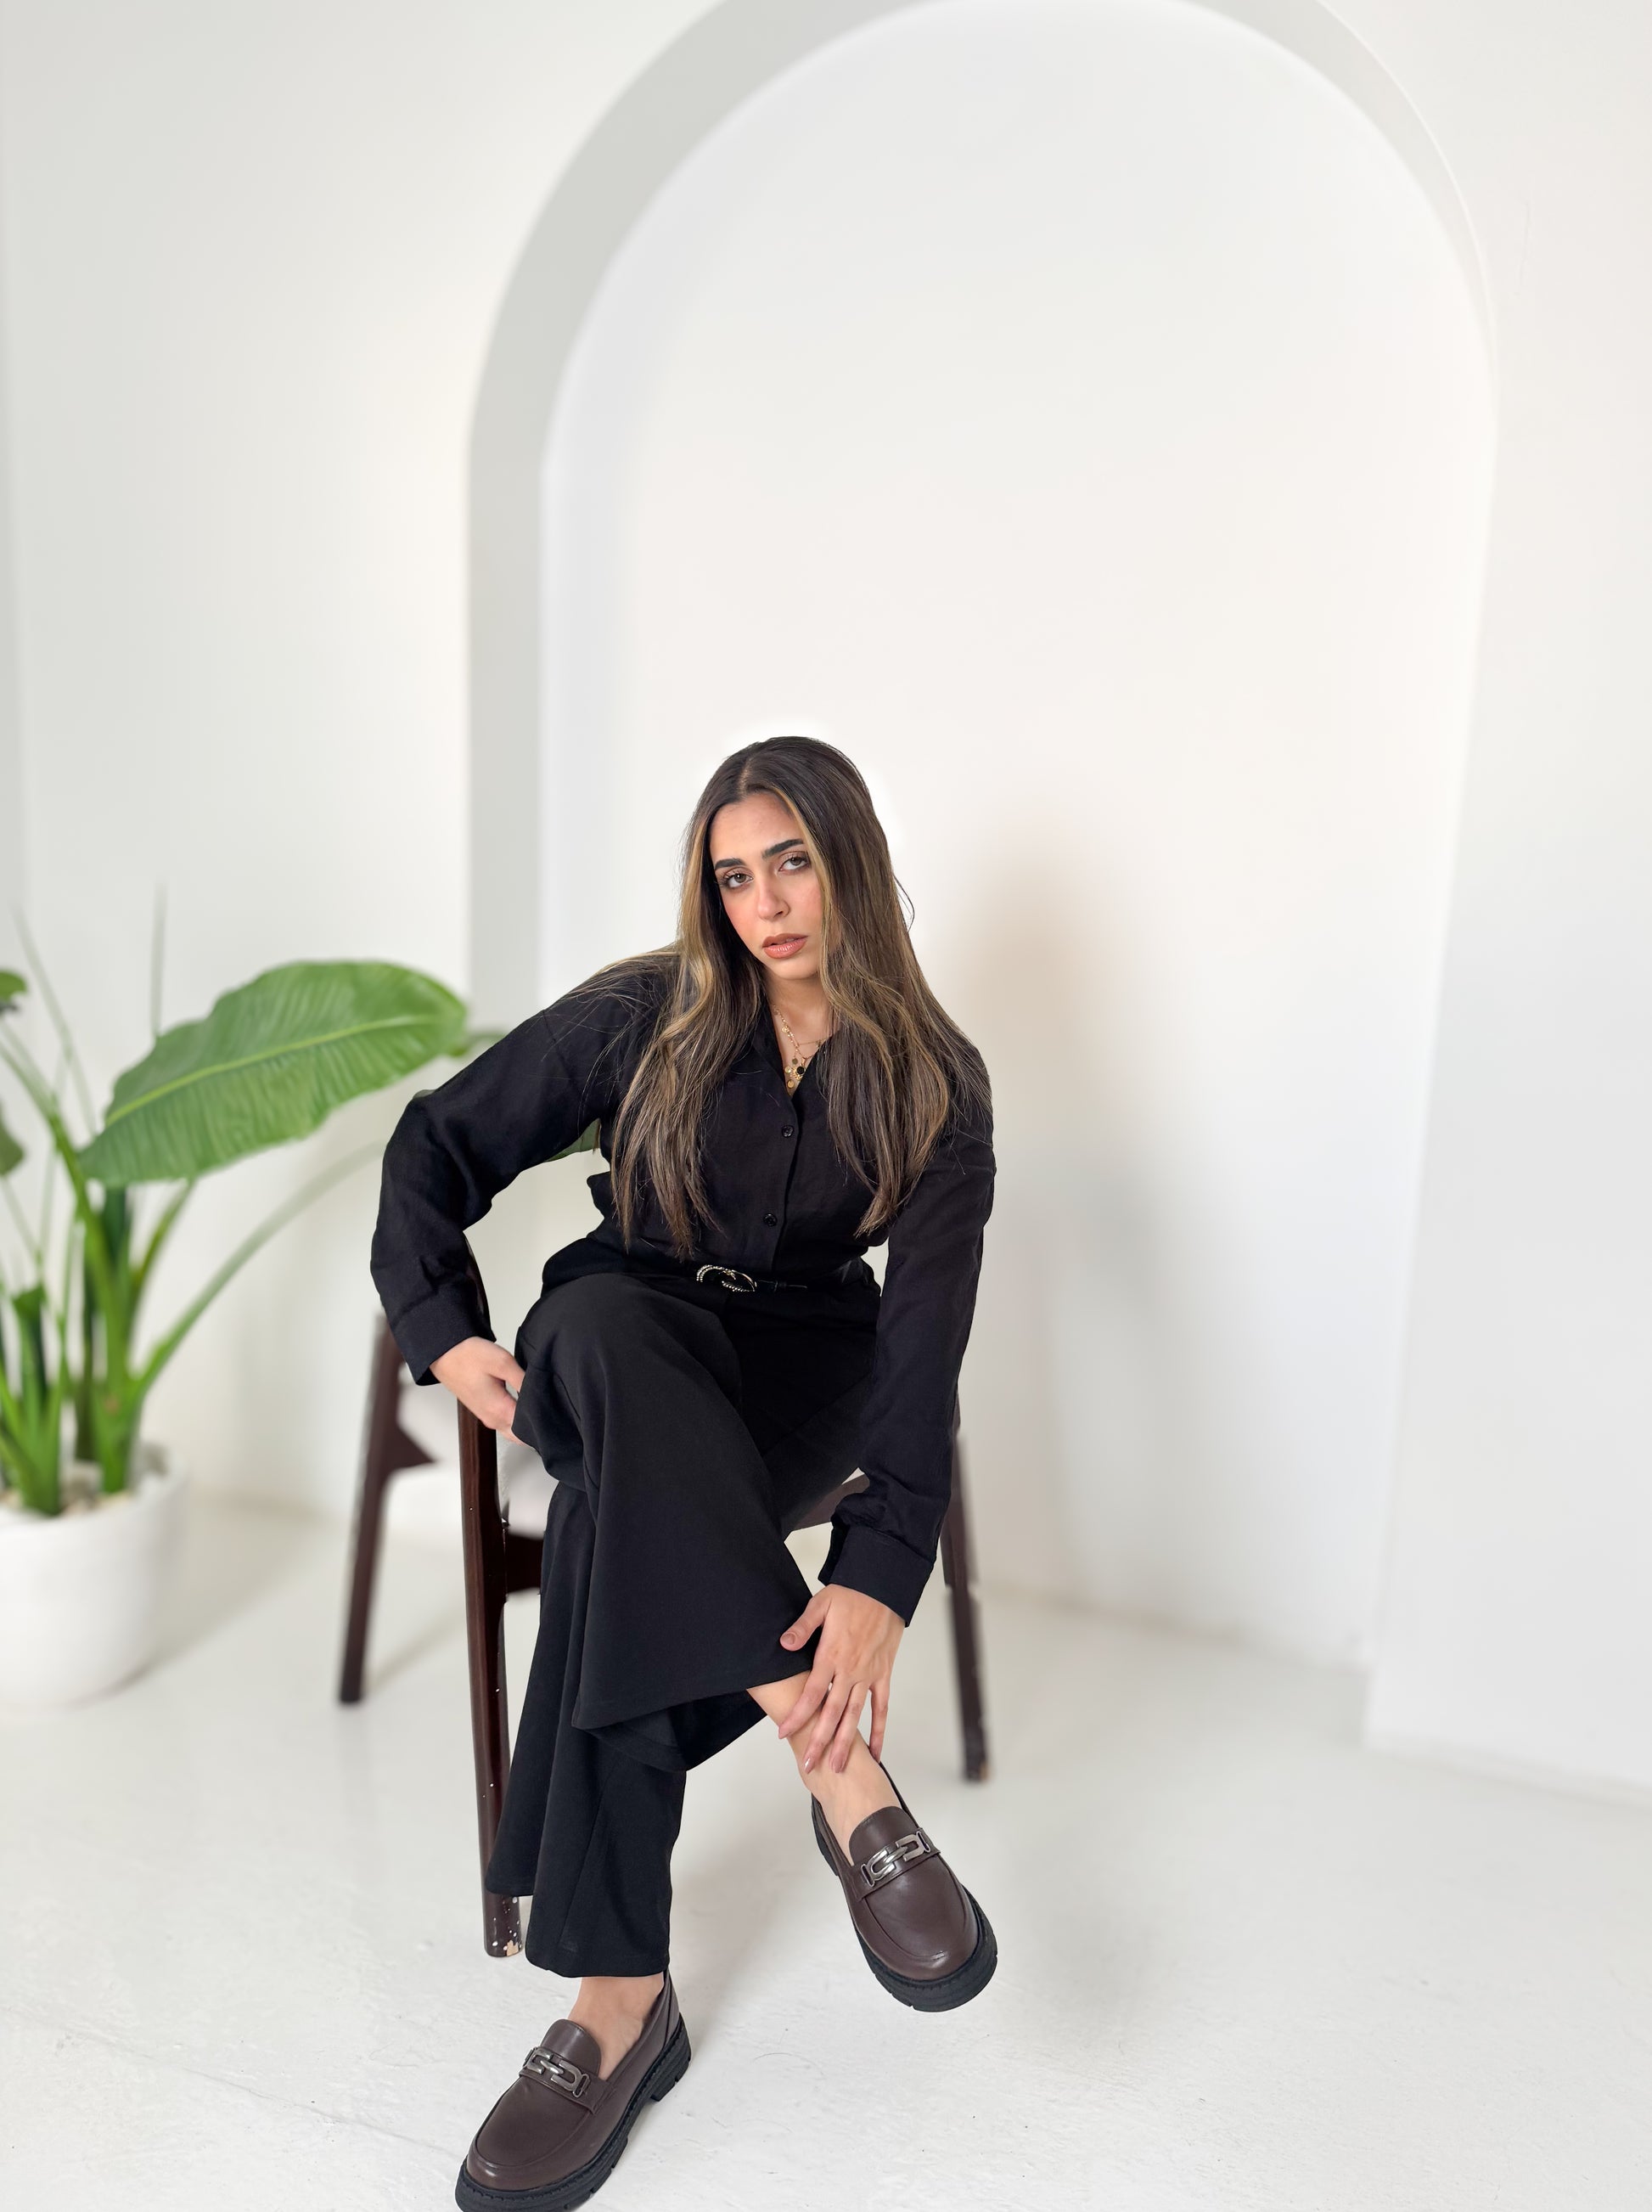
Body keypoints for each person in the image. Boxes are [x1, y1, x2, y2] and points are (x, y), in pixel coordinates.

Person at [369, 734, 997, 2211]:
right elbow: (432, 1144)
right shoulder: (643, 1014)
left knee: (610, 1519)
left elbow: (922, 1353)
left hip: (798, 1373)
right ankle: (834, 1761)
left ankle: (616, 2006)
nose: (765, 903)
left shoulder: (937, 1081)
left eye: (791, 861)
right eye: (733, 873)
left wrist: (874, 1578)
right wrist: (444, 1334)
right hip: (628, 1333)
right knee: (594, 1323)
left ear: (851, 861)